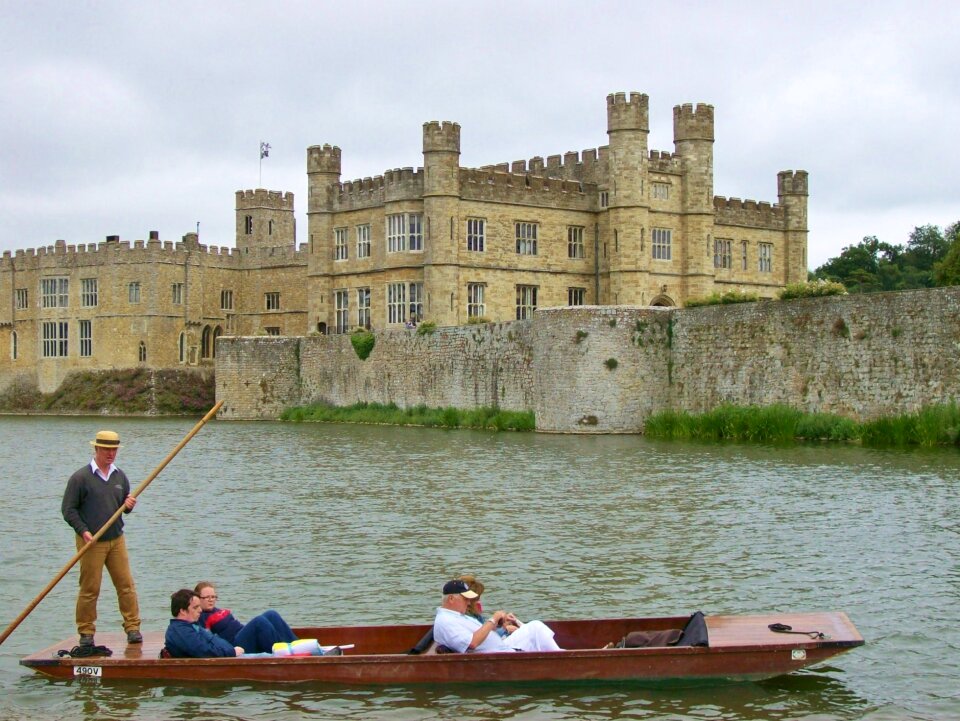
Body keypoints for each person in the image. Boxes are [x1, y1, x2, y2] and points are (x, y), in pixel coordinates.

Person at [62, 430, 141, 647]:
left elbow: (123, 507)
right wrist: (83, 531)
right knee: (90, 588)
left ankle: (133, 628)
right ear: (96, 449)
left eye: (114, 449)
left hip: (116, 539)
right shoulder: (80, 478)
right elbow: (68, 510)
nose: (111, 453)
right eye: (106, 449)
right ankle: (86, 632)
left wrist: (129, 507)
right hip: (91, 542)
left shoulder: (120, 476)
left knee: (126, 585)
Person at [433, 579, 562, 653]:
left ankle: (559, 656)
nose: (468, 602)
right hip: (496, 656)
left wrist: (498, 624)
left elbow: (479, 633)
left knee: (535, 627)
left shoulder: (455, 616)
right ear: (451, 598)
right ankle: (562, 658)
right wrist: (493, 619)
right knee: (536, 628)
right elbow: (471, 643)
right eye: (465, 599)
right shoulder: (446, 621)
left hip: (501, 647)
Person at [194, 581, 297, 654]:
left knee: (271, 614)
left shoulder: (215, 610)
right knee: (259, 622)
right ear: (198, 598)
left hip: (242, 634)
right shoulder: (200, 615)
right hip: (235, 645)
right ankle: (283, 652)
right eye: (206, 597)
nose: (211, 600)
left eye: (213, 597)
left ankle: (297, 646)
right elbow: (206, 638)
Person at [165, 589, 243, 658]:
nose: (200, 610)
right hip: (217, 666)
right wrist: (232, 652)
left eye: (199, 606)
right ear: (182, 611)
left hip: (226, 658)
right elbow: (204, 651)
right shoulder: (181, 631)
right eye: (195, 607)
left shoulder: (190, 626)